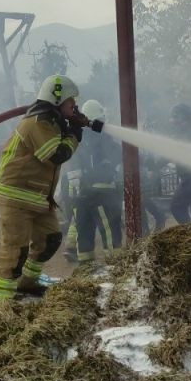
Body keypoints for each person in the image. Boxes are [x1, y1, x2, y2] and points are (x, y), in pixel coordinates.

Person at [0, 74, 93, 305]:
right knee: (13, 252)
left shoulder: (52, 122)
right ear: (56, 100)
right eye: (70, 102)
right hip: (16, 196)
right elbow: (55, 154)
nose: (74, 106)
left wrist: (71, 127)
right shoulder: (38, 122)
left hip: (37, 197)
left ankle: (27, 282)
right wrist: (75, 133)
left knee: (50, 239)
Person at [70, 100, 123, 262]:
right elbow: (117, 158)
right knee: (109, 230)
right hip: (102, 193)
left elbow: (72, 167)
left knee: (84, 230)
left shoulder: (77, 138)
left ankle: (86, 268)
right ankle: (115, 265)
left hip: (80, 195)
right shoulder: (103, 138)